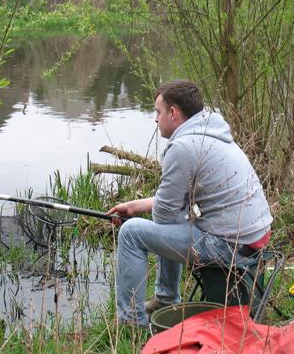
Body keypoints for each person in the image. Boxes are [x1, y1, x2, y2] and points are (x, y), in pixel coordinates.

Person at [108, 80, 272, 326]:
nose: (156, 119)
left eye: (158, 112)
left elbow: (163, 216)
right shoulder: (211, 134)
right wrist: (134, 206)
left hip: (230, 246)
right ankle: (166, 299)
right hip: (251, 238)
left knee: (131, 233)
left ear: (173, 113)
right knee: (174, 218)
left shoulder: (182, 147)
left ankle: (131, 322)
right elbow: (171, 208)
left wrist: (139, 215)